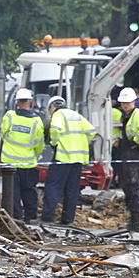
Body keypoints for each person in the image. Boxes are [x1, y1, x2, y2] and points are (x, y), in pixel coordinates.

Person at [41, 96, 96, 225]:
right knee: (72, 190)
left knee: (53, 187)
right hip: (77, 160)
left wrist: (54, 143)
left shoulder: (58, 114)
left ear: (52, 106)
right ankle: (67, 219)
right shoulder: (76, 115)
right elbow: (92, 131)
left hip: (62, 157)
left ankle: (47, 218)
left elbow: (54, 129)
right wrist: (81, 144)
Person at [0, 87, 45, 222]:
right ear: (30, 102)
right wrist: (35, 155)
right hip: (28, 163)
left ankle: (15, 218)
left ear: (17, 102)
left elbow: (3, 134)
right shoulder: (36, 121)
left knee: (12, 192)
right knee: (29, 191)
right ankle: (30, 218)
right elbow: (39, 144)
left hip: (9, 163)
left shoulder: (9, 116)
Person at [114, 87, 139, 232]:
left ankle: (136, 223)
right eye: (123, 103)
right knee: (127, 186)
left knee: (132, 187)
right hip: (127, 153)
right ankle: (133, 221)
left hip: (133, 154)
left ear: (133, 101)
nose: (125, 105)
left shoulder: (137, 114)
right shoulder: (127, 115)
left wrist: (134, 141)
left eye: (127, 102)